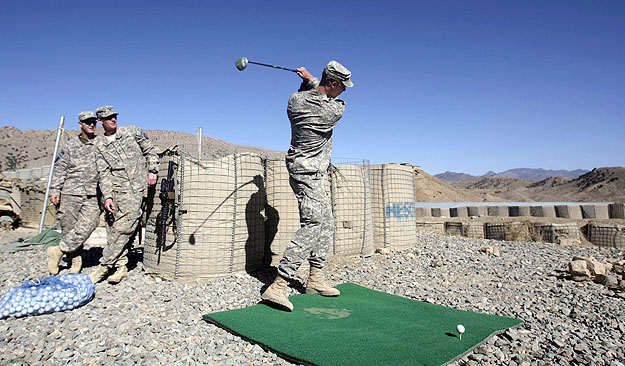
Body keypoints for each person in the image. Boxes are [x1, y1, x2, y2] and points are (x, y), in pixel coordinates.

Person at [261, 61, 354, 311]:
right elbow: (330, 101)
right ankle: (278, 285)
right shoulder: (333, 110)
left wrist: (309, 81)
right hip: (307, 171)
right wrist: (312, 78)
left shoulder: (295, 101)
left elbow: (310, 93)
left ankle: (315, 279)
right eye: (342, 86)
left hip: (307, 169)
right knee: (313, 222)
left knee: (327, 221)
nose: (344, 91)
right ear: (333, 83)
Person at [89, 105, 159, 284]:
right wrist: (108, 196)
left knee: (124, 228)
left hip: (136, 189)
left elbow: (150, 150)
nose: (113, 120)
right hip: (116, 190)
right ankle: (121, 268)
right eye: (108, 118)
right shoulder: (98, 145)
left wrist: (152, 170)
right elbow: (103, 172)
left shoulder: (132, 132)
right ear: (100, 121)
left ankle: (104, 265)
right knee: (112, 229)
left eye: (114, 116)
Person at [47, 111, 102, 275]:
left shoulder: (101, 144)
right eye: (87, 122)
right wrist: (55, 190)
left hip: (93, 194)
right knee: (69, 228)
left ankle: (58, 250)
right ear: (80, 124)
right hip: (70, 193)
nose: (91, 124)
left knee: (90, 223)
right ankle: (76, 260)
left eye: (93, 121)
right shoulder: (70, 146)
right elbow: (59, 169)